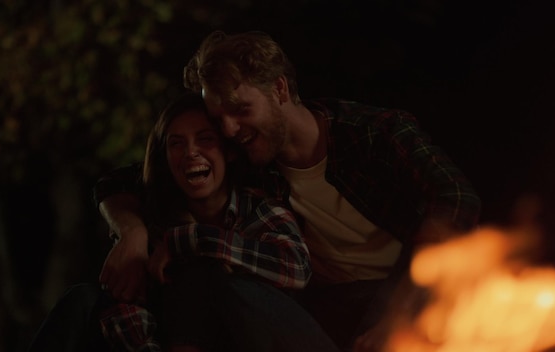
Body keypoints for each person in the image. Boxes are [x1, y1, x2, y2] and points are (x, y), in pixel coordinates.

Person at [94, 30, 482, 352]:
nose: (229, 129)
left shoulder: (374, 135)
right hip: (322, 310)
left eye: (239, 109)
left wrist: (400, 311)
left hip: (408, 292)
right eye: (219, 118)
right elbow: (128, 180)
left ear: (279, 89)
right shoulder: (247, 158)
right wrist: (131, 232)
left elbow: (457, 199)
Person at [27, 93, 340, 352]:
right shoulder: (155, 220)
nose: (191, 152)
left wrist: (193, 240)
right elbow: (125, 305)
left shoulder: (258, 210)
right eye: (176, 143)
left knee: (211, 276)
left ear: (228, 152)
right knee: (82, 300)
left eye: (205, 139)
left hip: (262, 340)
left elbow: (296, 267)